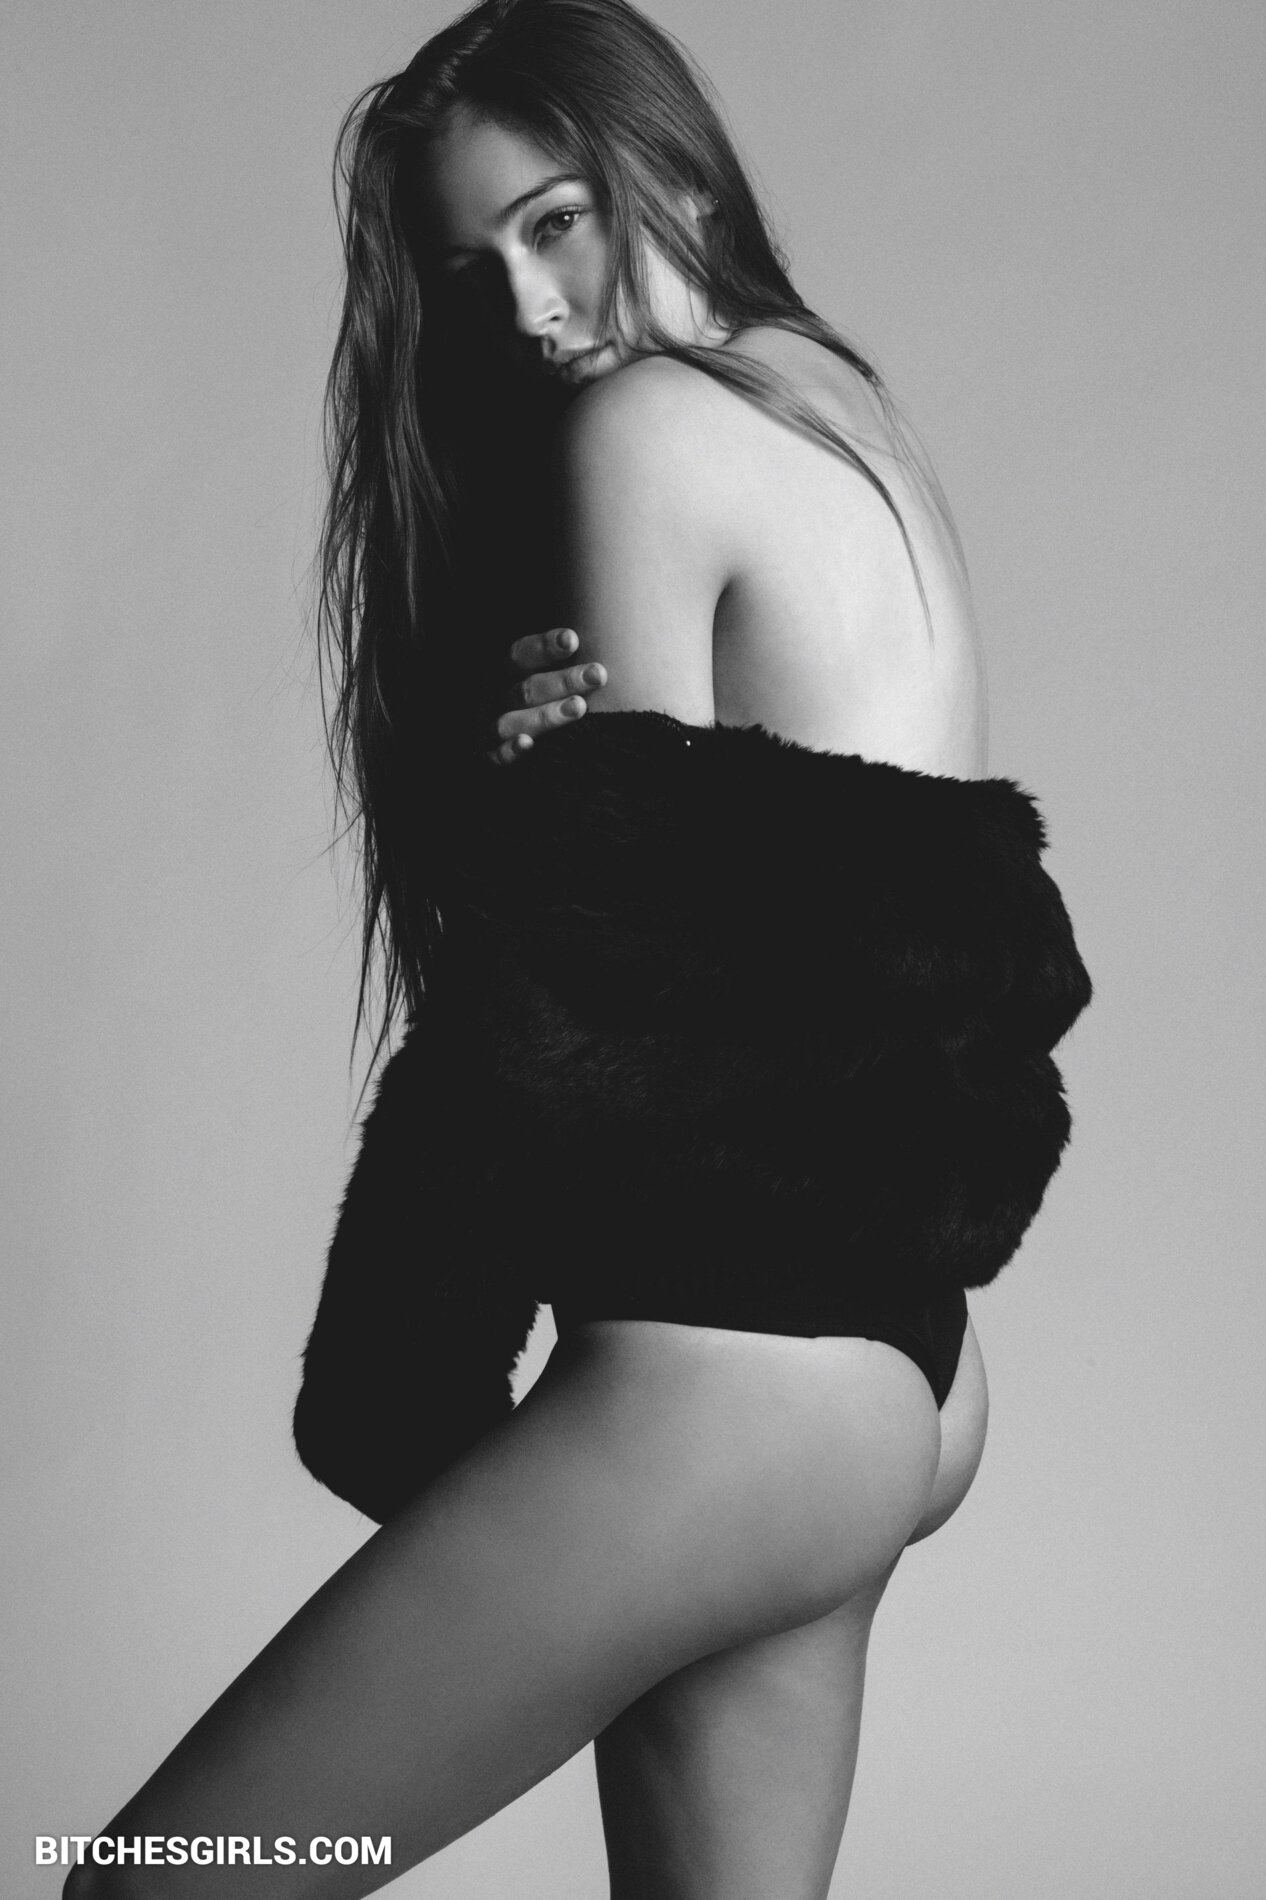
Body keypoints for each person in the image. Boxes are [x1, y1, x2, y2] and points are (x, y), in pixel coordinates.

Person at [67, 2, 1090, 1895]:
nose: (533, 311)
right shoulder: (836, 403)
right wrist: (562, 805)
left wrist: (397, 1398)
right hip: (892, 1377)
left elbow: (590, 983)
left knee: (151, 1883)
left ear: (665, 163)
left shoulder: (639, 428)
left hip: (724, 1381)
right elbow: (833, 909)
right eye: (475, 273)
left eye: (557, 223)